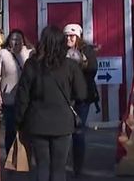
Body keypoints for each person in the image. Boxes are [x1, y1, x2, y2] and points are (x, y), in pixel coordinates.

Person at [15, 26, 86, 181]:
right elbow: (81, 94)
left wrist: (19, 121)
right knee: (59, 169)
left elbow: (23, 96)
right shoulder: (70, 66)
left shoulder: (31, 65)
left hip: (37, 121)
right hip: (63, 122)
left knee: (42, 167)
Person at [63, 24, 98, 176]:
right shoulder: (61, 51)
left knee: (78, 130)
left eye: (72, 36)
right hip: (65, 96)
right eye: (66, 36)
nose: (69, 38)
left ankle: (78, 167)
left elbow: (92, 70)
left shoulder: (87, 51)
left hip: (82, 97)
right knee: (64, 131)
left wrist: (81, 65)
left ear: (78, 36)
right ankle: (62, 164)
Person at [0, 29, 33, 155]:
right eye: (13, 39)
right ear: (9, 41)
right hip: (9, 99)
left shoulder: (29, 53)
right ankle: (10, 156)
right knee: (11, 129)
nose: (16, 42)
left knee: (26, 129)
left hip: (26, 99)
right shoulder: (3, 54)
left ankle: (25, 156)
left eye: (19, 39)